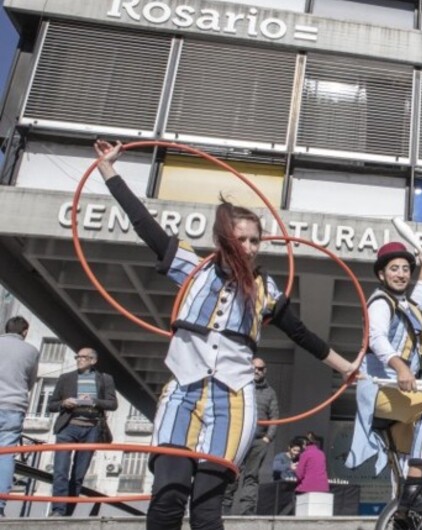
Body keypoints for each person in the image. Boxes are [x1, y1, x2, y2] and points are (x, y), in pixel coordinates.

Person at [93, 140, 362, 530]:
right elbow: (143, 222)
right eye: (243, 238)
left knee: (206, 508)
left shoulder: (265, 289)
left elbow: (302, 334)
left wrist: (346, 367)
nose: (251, 248)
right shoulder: (191, 267)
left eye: (256, 240)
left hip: (233, 401)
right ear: (224, 238)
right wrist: (107, 170)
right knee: (168, 496)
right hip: (183, 392)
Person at [346, 242, 422, 516]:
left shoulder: (406, 305)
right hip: (380, 389)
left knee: (402, 473)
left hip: (399, 394)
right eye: (394, 269)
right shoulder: (380, 302)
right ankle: (416, 489)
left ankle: (405, 511)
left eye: (406, 269)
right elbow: (376, 338)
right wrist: (401, 367)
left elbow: (419, 299)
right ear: (382, 274)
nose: (401, 274)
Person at [46, 347, 118, 516]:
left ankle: (68, 513)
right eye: (77, 357)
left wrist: (94, 401)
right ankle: (58, 511)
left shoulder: (105, 379)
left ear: (93, 360)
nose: (79, 360)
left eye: (84, 357)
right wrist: (64, 403)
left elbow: (112, 404)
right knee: (60, 471)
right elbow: (51, 405)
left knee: (78, 474)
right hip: (68, 427)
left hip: (92, 429)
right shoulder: (66, 378)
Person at [222, 356, 280, 515]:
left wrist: (268, 438)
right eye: (254, 367)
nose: (257, 370)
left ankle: (246, 513)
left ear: (265, 371)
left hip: (258, 441)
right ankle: (224, 509)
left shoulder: (270, 393)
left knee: (252, 477)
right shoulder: (239, 387)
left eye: (260, 368)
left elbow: (274, 417)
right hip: (238, 439)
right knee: (232, 473)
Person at [0, 316, 39, 517]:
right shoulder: (31, 351)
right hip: (13, 406)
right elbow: (30, 383)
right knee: (6, 455)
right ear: (24, 331)